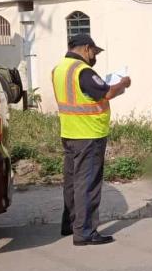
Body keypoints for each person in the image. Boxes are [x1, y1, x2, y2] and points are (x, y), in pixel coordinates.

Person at [54, 34, 131, 246]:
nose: (94, 56)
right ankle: (85, 232)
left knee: (71, 182)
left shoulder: (59, 69)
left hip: (70, 133)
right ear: (87, 48)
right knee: (87, 184)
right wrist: (123, 83)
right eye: (94, 52)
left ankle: (71, 225)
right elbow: (106, 93)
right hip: (89, 135)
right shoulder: (83, 71)